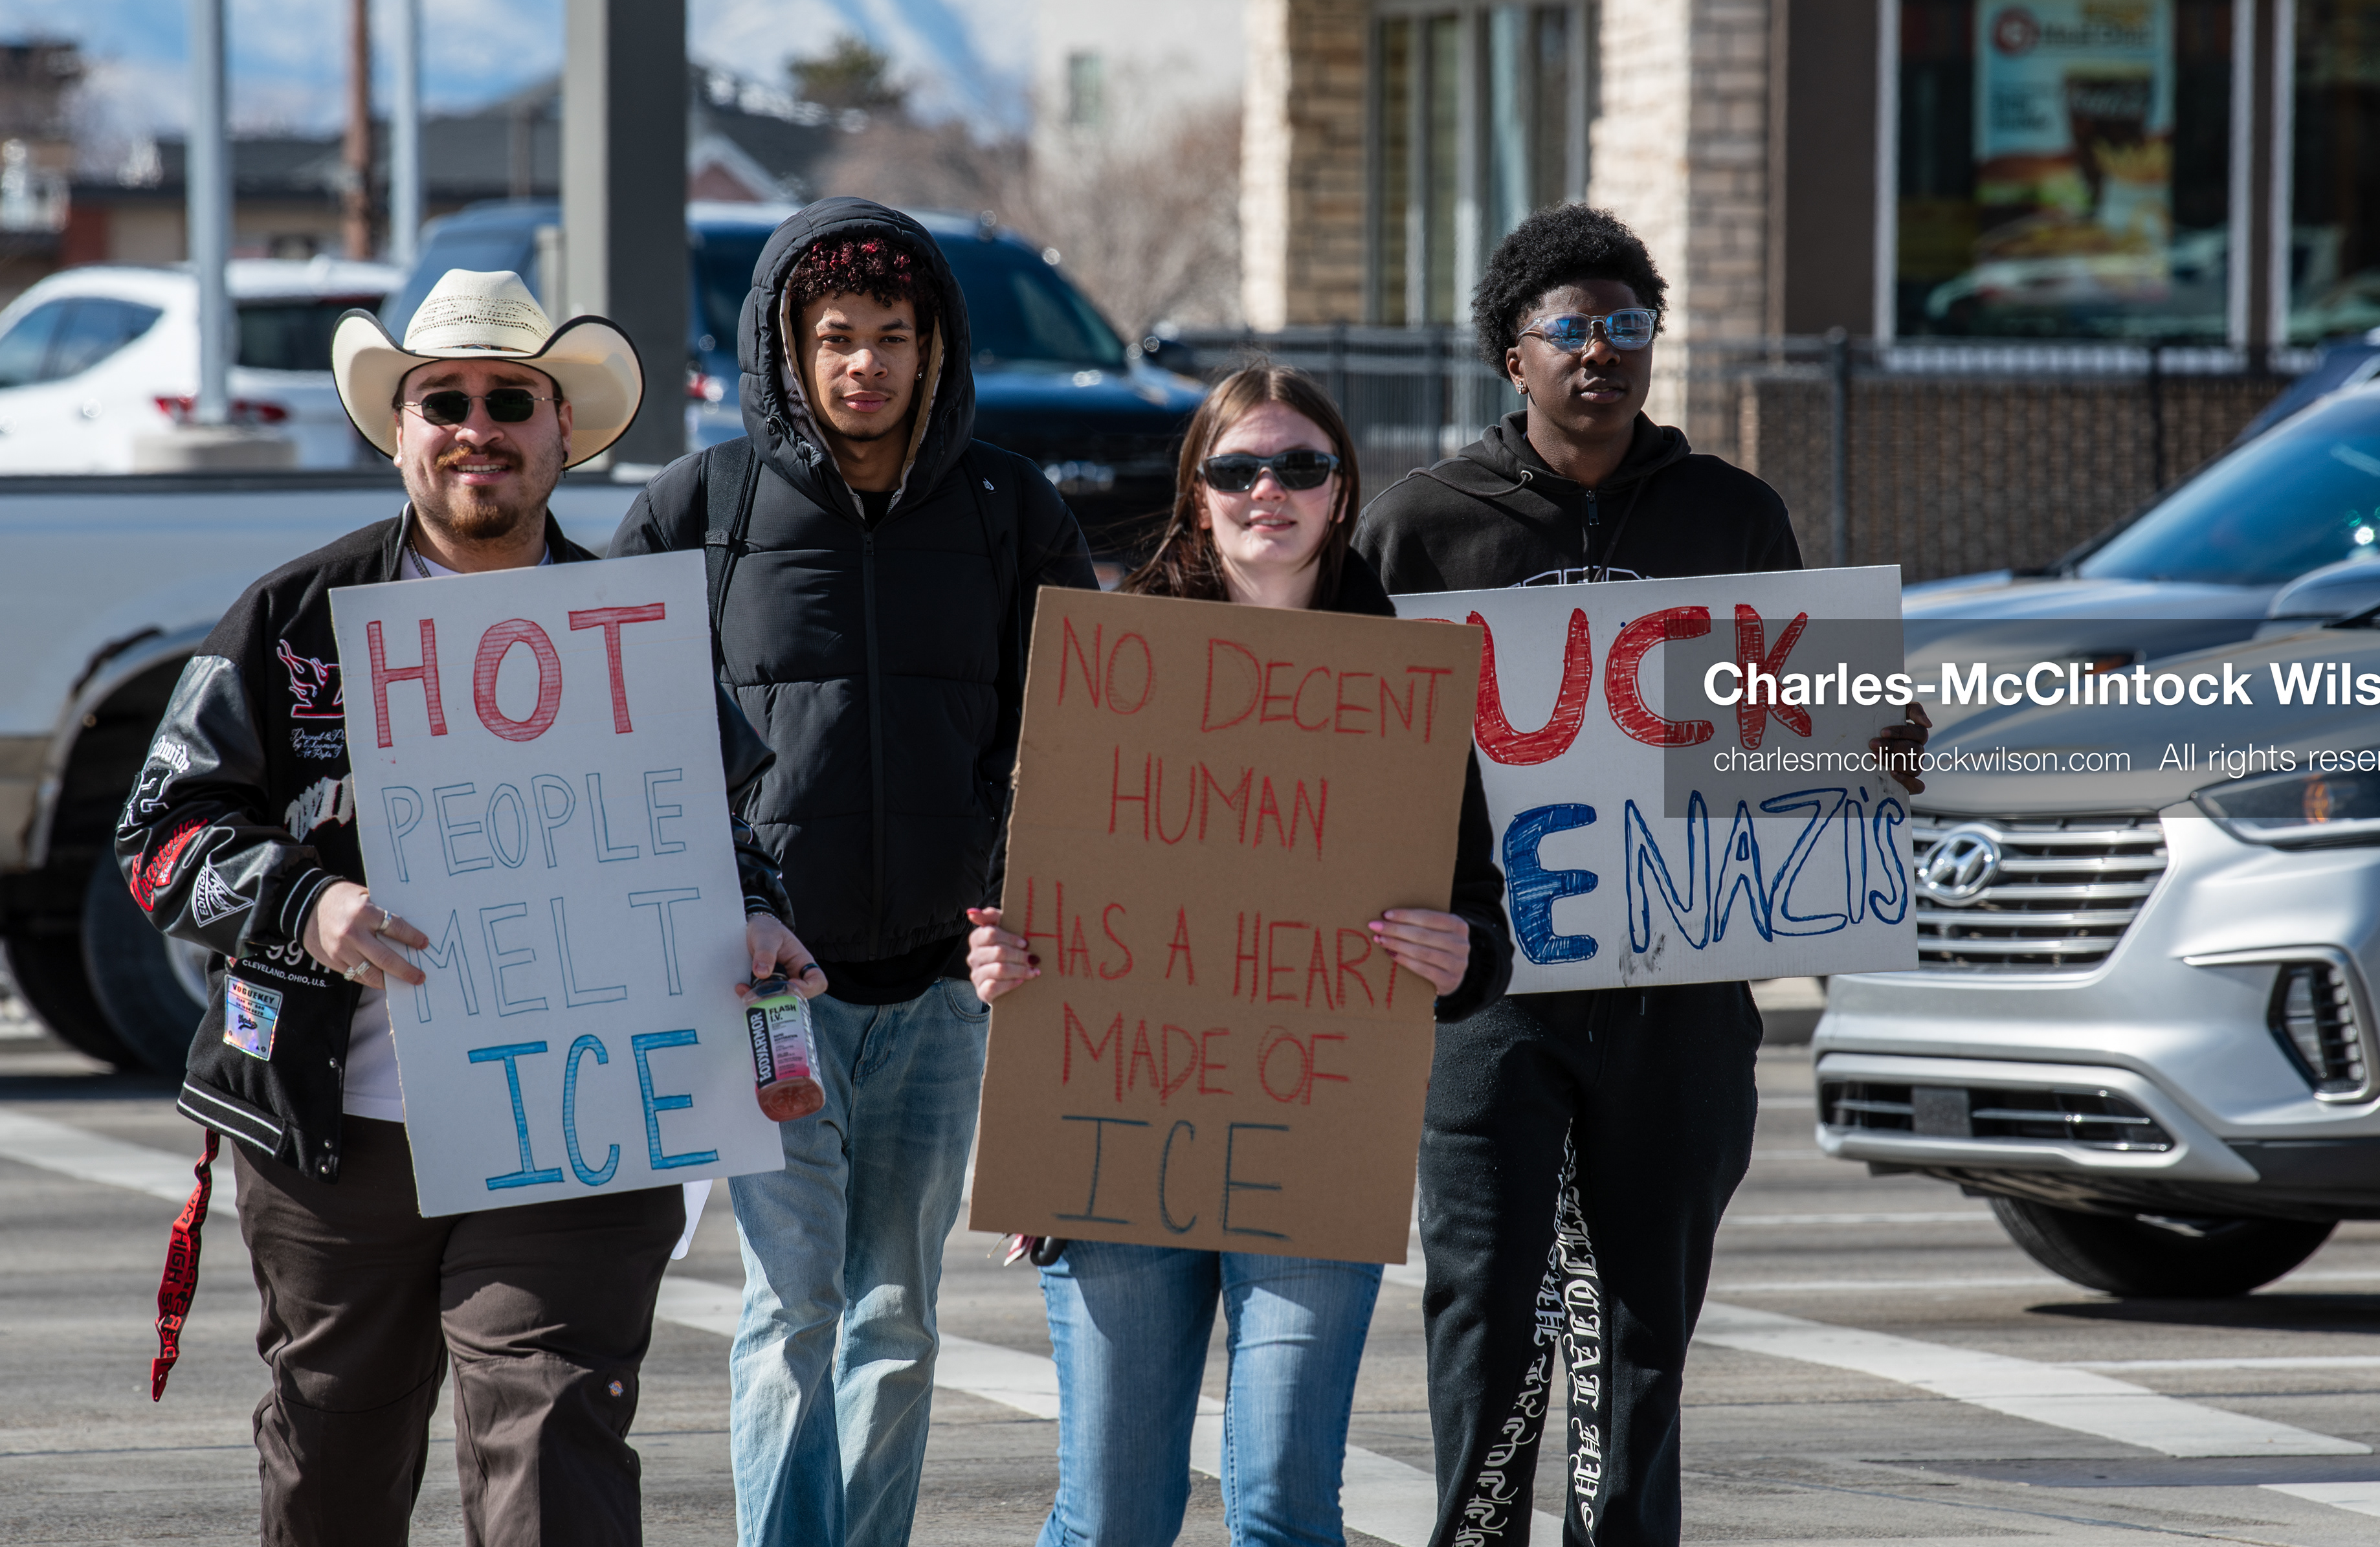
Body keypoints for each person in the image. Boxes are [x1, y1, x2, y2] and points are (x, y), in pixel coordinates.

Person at [118, 269, 824, 1546]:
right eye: (444, 400)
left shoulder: (633, 635)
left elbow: (722, 840)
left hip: (580, 1121)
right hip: (335, 1134)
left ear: (564, 432)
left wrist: (758, 921)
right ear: (399, 428)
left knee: (556, 1460)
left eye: (512, 400)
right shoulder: (291, 625)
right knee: (331, 1476)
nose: (477, 428)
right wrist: (307, 900)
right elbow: (158, 838)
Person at [1354, 205, 1929, 1546]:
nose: (1603, 351)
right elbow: (1349, 752)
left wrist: (1877, 741)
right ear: (1513, 353)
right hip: (1492, 993)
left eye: (1628, 325)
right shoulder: (1422, 530)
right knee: (1492, 1307)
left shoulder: (1733, 513)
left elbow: (1803, 728)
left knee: (1642, 1317)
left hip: (1683, 988)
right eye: (1572, 328)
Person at [606, 199, 1096, 1547]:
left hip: (940, 986)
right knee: (791, 1307)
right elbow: (608, 735)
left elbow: (1079, 730)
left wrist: (1009, 897)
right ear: (787, 346)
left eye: (892, 335)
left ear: (936, 350)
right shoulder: (695, 509)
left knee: (896, 1312)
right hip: (768, 983)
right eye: (835, 337)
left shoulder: (1010, 507)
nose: (863, 363)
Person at [964, 364, 1516, 1547]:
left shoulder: (1411, 692)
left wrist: (1455, 952)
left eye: (1301, 467)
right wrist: (1003, 971)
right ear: (1196, 492)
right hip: (1114, 1137)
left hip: (1312, 1147)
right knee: (1114, 1514)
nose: (1270, 490)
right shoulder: (1112, 671)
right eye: (1237, 468)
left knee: (1280, 1502)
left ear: (1341, 490)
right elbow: (1017, 888)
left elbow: (1487, 932)